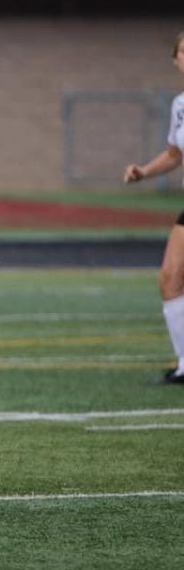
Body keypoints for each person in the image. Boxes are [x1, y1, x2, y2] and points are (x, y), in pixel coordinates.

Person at [124, 31, 184, 384]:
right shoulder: (179, 105)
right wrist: (143, 171)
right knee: (170, 278)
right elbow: (175, 155)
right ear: (175, 60)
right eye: (182, 51)